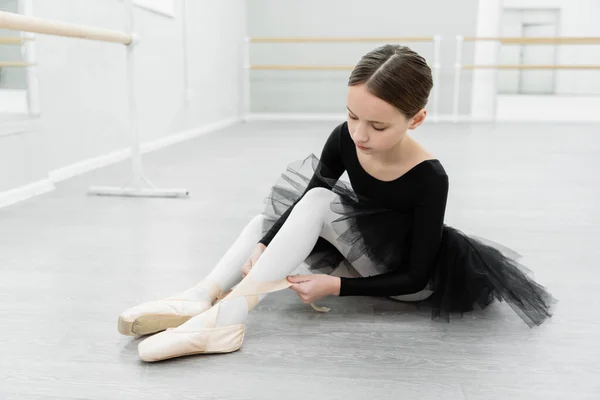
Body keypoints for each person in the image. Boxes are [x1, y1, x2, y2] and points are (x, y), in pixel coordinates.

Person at [117, 44, 557, 362]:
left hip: (408, 280)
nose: (360, 135)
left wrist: (338, 287)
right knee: (267, 220)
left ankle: (226, 322)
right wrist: (265, 244)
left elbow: (416, 274)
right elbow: (311, 191)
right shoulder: (345, 137)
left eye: (378, 126)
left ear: (416, 119)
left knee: (320, 202)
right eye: (352, 116)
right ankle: (200, 297)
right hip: (364, 250)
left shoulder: (430, 177)